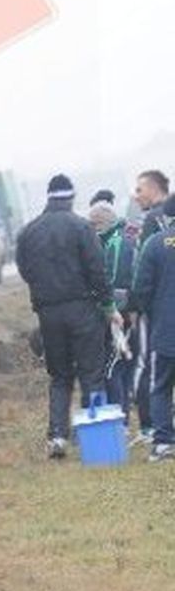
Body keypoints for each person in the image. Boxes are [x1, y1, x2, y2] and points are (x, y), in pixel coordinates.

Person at [16, 175, 122, 460]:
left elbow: (25, 270)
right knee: (92, 374)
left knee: (59, 376)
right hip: (83, 310)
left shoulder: (28, 232)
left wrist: (45, 290)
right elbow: (97, 270)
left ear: (49, 197)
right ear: (71, 197)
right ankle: (97, 440)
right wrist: (109, 306)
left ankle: (57, 437)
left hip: (48, 313)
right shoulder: (81, 227)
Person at [130, 195, 175, 462]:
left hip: (166, 331)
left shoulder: (155, 243)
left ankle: (164, 443)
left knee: (161, 387)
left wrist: (151, 314)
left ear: (166, 217)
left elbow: (140, 290)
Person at [89, 198, 136, 414]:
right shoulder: (115, 239)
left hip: (118, 311)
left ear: (104, 222)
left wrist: (105, 306)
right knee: (123, 364)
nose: (92, 230)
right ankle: (123, 413)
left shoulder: (116, 242)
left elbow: (113, 279)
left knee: (112, 367)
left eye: (94, 225)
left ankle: (118, 414)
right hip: (123, 308)